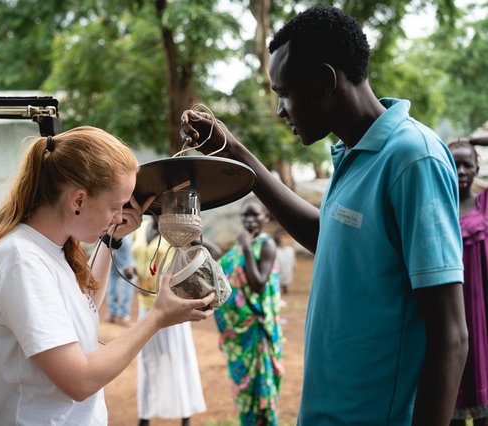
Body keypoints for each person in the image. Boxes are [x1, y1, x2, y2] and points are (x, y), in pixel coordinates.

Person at [180, 6, 468, 425]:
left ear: (325, 82)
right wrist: (234, 153)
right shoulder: (352, 155)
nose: (280, 110)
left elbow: (451, 336)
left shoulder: (411, 158)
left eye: (285, 92)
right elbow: (327, 235)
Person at [0, 126, 214, 425]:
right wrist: (156, 318)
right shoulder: (21, 260)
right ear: (78, 201)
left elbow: (85, 303)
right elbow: (80, 381)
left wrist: (112, 239)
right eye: (116, 207)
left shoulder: (52, 248)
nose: (120, 215)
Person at [215, 195, 284, 425]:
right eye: (245, 214)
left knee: (261, 393)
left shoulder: (267, 245)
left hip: (258, 330)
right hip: (240, 334)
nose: (250, 220)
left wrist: (246, 247)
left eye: (255, 214)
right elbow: (221, 270)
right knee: (246, 397)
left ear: (265, 217)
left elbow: (258, 283)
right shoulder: (237, 250)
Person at [131, 215, 207, 426]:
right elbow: (139, 259)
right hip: (145, 305)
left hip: (171, 307)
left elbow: (203, 251)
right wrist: (133, 271)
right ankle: (144, 417)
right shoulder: (141, 228)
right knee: (147, 362)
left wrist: (194, 232)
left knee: (179, 359)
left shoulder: (177, 231)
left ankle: (185, 417)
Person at [448, 137, 488, 425]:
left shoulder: (485, 204)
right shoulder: (437, 205)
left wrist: (474, 141)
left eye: (467, 164)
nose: (461, 171)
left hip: (482, 311)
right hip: (448, 311)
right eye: (455, 164)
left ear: (477, 167)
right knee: (450, 386)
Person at [106, 234, 136, 327]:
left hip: (109, 237)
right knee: (127, 279)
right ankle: (123, 315)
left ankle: (112, 313)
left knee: (113, 278)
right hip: (123, 236)